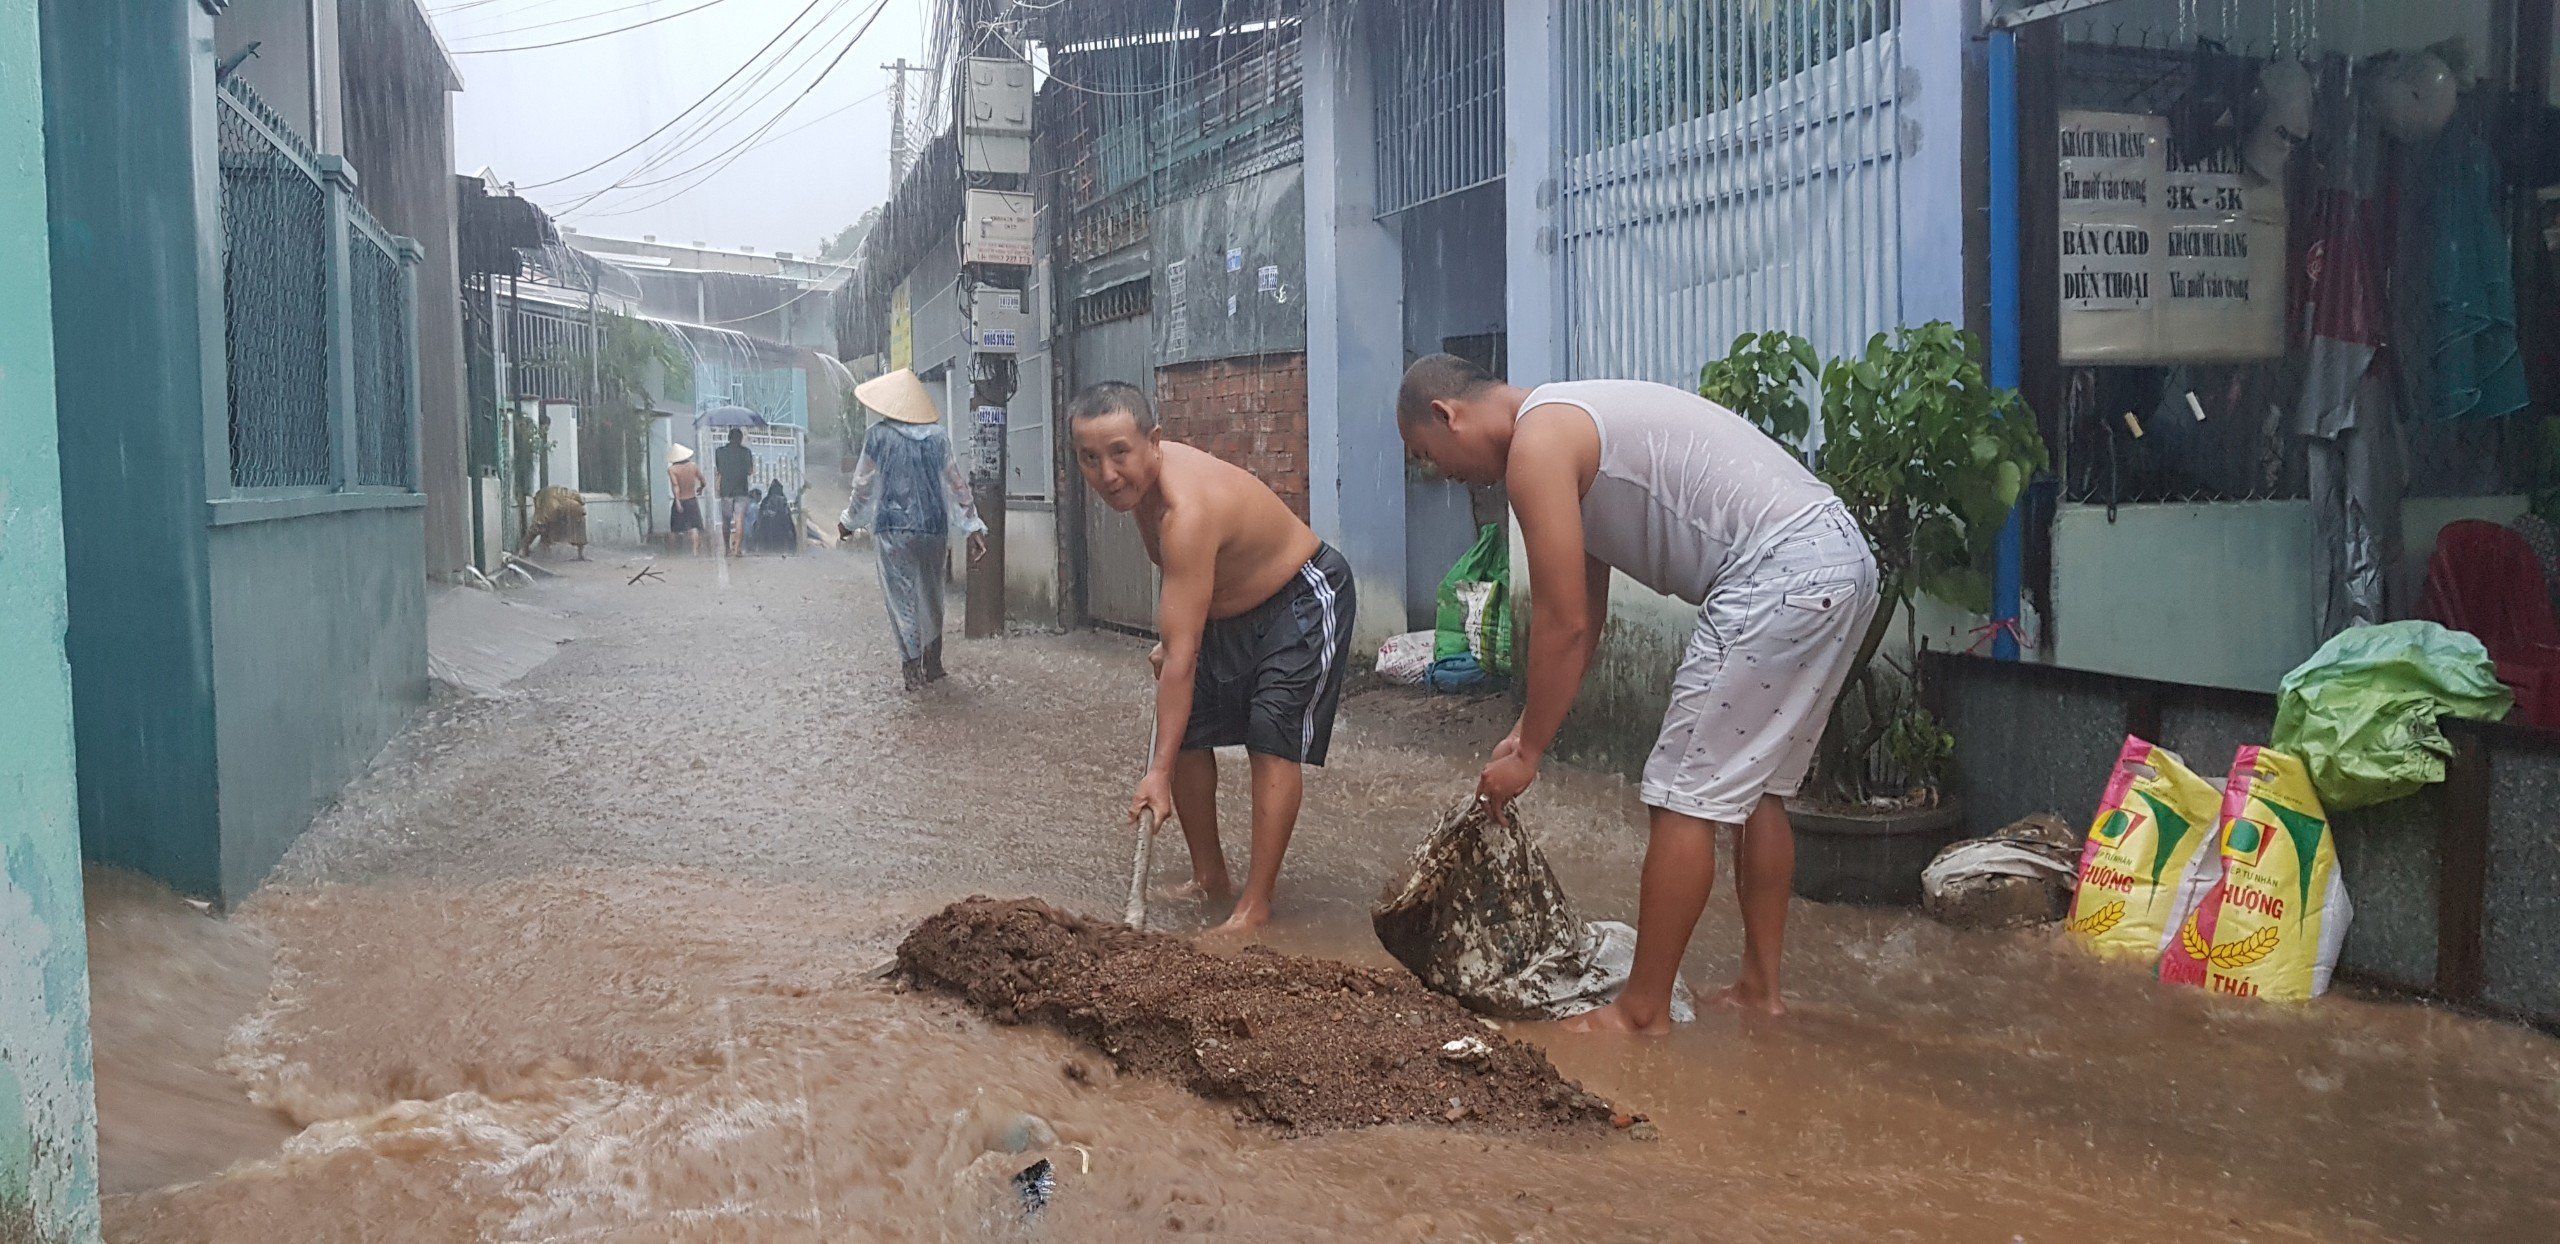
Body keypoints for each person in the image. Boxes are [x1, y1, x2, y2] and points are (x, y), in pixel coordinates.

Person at [1396, 354, 1878, 1029]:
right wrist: (1528, 731)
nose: (1441, 474)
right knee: (1760, 788)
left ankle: (1640, 1013)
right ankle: (1759, 991)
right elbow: (1586, 620)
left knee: (1681, 794)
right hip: (1838, 556)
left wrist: (1529, 752)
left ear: (1448, 415)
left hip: (1778, 572)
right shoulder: (1565, 426)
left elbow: (1561, 624)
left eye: (1427, 453)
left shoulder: (1538, 444)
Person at [1066, 381, 1356, 937]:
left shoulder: (1185, 510)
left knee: (1270, 730)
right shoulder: (1141, 490)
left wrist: (1156, 771)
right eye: (1090, 459)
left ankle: (1256, 904)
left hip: (1300, 593)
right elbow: (1184, 603)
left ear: (1154, 441)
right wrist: (1176, 641)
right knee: (1190, 727)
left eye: (1119, 453)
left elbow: (1182, 654)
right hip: (1229, 608)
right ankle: (1209, 878)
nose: (1106, 474)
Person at [840, 369, 987, 690]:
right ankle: (934, 664)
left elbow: (863, 485)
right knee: (933, 595)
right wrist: (972, 525)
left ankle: (912, 672)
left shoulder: (877, 437)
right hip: (933, 527)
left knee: (901, 599)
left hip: (892, 529)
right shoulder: (938, 437)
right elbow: (956, 484)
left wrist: (848, 521)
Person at [715, 427, 756, 557]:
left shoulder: (720, 452)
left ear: (728, 438)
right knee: (739, 519)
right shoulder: (746, 452)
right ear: (741, 439)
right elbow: (750, 472)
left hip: (726, 490)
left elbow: (719, 470)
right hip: (742, 490)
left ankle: (727, 548)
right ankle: (737, 549)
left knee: (726, 520)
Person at [668, 443, 706, 555]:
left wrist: (678, 502)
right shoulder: (693, 466)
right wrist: (701, 488)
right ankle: (695, 552)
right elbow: (703, 480)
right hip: (692, 500)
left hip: (680, 500)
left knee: (675, 529)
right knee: (694, 527)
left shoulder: (672, 469)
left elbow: (676, 486)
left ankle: (673, 553)